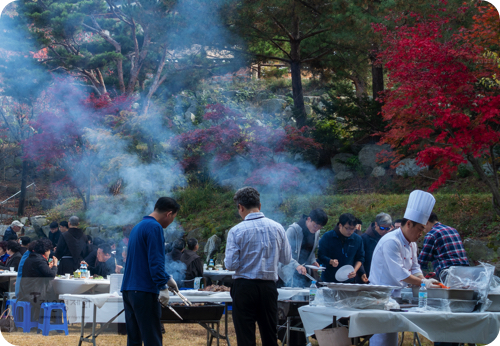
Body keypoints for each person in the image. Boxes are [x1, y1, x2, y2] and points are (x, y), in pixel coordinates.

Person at [369, 190, 441, 346]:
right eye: (420, 229)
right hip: (380, 295)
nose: (422, 233)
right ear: (409, 224)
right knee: (383, 339)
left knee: (391, 338)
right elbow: (400, 274)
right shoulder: (391, 241)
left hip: (396, 296)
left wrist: (425, 279)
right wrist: (424, 284)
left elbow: (415, 267)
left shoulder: (412, 243)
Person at [225, 187, 291, 346]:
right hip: (268, 287)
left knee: (245, 337)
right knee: (269, 335)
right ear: (259, 205)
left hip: (244, 287)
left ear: (240, 207)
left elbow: (230, 265)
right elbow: (286, 259)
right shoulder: (277, 227)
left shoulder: (236, 231)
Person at [121, 197, 180, 346]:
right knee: (151, 339)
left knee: (134, 339)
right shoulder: (155, 227)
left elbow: (142, 260)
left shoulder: (138, 227)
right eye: (173, 217)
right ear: (169, 213)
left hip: (129, 290)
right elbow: (155, 260)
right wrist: (162, 286)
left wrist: (167, 278)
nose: (172, 221)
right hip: (144, 291)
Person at [278, 209, 328, 287]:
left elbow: (311, 252)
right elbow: (283, 253)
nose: (317, 229)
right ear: (309, 219)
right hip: (287, 272)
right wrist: (296, 265)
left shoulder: (316, 232)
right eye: (316, 226)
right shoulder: (293, 230)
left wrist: (313, 261)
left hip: (303, 272)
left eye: (320, 227)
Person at [418, 212, 469, 282]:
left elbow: (422, 261)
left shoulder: (431, 234)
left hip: (448, 273)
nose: (423, 230)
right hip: (466, 271)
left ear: (426, 222)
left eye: (422, 227)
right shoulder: (453, 230)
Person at [18, 239, 59, 323]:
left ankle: (45, 320)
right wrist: (55, 265)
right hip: (36, 294)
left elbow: (39, 272)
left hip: (26, 291)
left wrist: (48, 267)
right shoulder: (39, 260)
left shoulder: (32, 257)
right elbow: (51, 276)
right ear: (45, 250)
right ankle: (53, 322)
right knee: (57, 299)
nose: (50, 252)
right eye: (49, 250)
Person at [318, 213, 366, 283]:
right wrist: (330, 261)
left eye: (353, 229)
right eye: (347, 228)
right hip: (329, 280)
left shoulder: (357, 239)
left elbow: (360, 258)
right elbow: (320, 255)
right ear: (340, 225)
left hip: (349, 280)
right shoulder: (328, 236)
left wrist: (354, 271)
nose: (350, 231)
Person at [361, 212, 393, 277]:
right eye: (382, 228)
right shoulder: (364, 238)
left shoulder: (390, 238)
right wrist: (362, 273)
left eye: (387, 229)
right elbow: (360, 258)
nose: (384, 231)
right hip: (368, 274)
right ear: (376, 224)